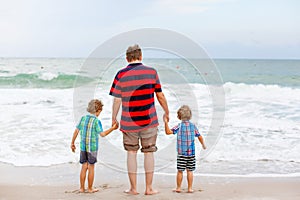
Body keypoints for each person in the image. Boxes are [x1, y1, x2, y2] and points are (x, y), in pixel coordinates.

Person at [109, 44, 169, 195]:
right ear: (141, 56)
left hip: (129, 122)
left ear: (127, 58)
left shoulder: (120, 74)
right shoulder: (151, 72)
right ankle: (149, 188)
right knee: (149, 153)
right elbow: (160, 95)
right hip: (149, 121)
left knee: (131, 153)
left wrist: (113, 118)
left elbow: (117, 100)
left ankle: (133, 188)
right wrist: (167, 111)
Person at [70, 99, 118, 193]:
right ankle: (90, 188)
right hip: (92, 148)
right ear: (98, 111)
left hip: (83, 147)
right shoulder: (96, 121)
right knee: (91, 166)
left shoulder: (83, 118)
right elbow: (102, 134)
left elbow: (76, 131)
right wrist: (112, 128)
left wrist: (72, 143)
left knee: (84, 166)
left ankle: (82, 188)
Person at [164, 105, 206, 193]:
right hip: (191, 154)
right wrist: (203, 145)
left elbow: (168, 132)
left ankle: (178, 188)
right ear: (190, 116)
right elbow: (200, 136)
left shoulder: (179, 126)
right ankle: (190, 188)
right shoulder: (193, 126)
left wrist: (165, 123)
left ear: (179, 116)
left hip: (181, 154)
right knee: (190, 171)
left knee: (180, 171)